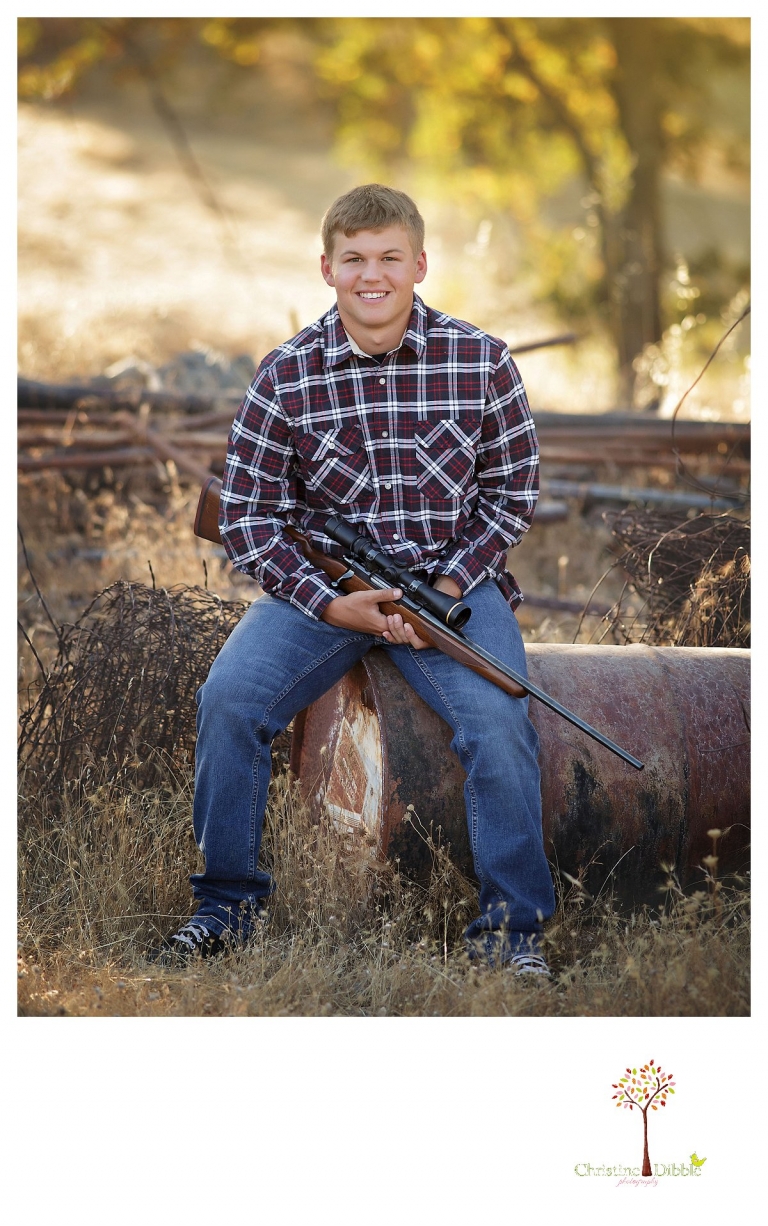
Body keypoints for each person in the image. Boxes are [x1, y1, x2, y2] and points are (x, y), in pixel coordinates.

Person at [161, 183, 555, 973]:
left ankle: (511, 939)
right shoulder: (288, 374)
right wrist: (333, 604)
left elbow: (512, 492)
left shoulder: (482, 360)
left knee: (504, 727)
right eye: (353, 260)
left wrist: (444, 592)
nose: (371, 276)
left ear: (419, 264)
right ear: (326, 268)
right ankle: (224, 910)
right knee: (230, 701)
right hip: (322, 591)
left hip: (452, 589)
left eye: (389, 259)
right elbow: (246, 515)